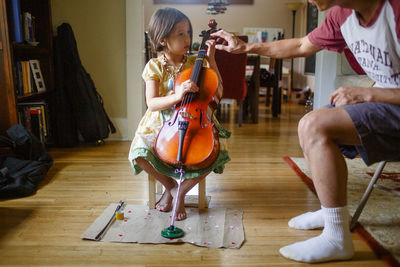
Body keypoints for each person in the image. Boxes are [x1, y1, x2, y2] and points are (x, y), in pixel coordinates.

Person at [211, 0, 400, 263]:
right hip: (385, 102)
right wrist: (246, 47)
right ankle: (332, 212)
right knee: (311, 121)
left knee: (315, 126)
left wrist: (369, 92)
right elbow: (301, 45)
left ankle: (337, 238)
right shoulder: (341, 15)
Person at [129, 8, 230, 221]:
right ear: (163, 40)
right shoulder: (154, 66)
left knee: (214, 152)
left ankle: (181, 192)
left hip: (195, 117)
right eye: (180, 34)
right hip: (161, 121)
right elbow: (152, 102)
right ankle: (171, 186)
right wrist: (178, 95)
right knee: (139, 153)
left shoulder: (196, 64)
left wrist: (211, 60)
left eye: (189, 33)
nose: (188, 39)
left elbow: (218, 93)